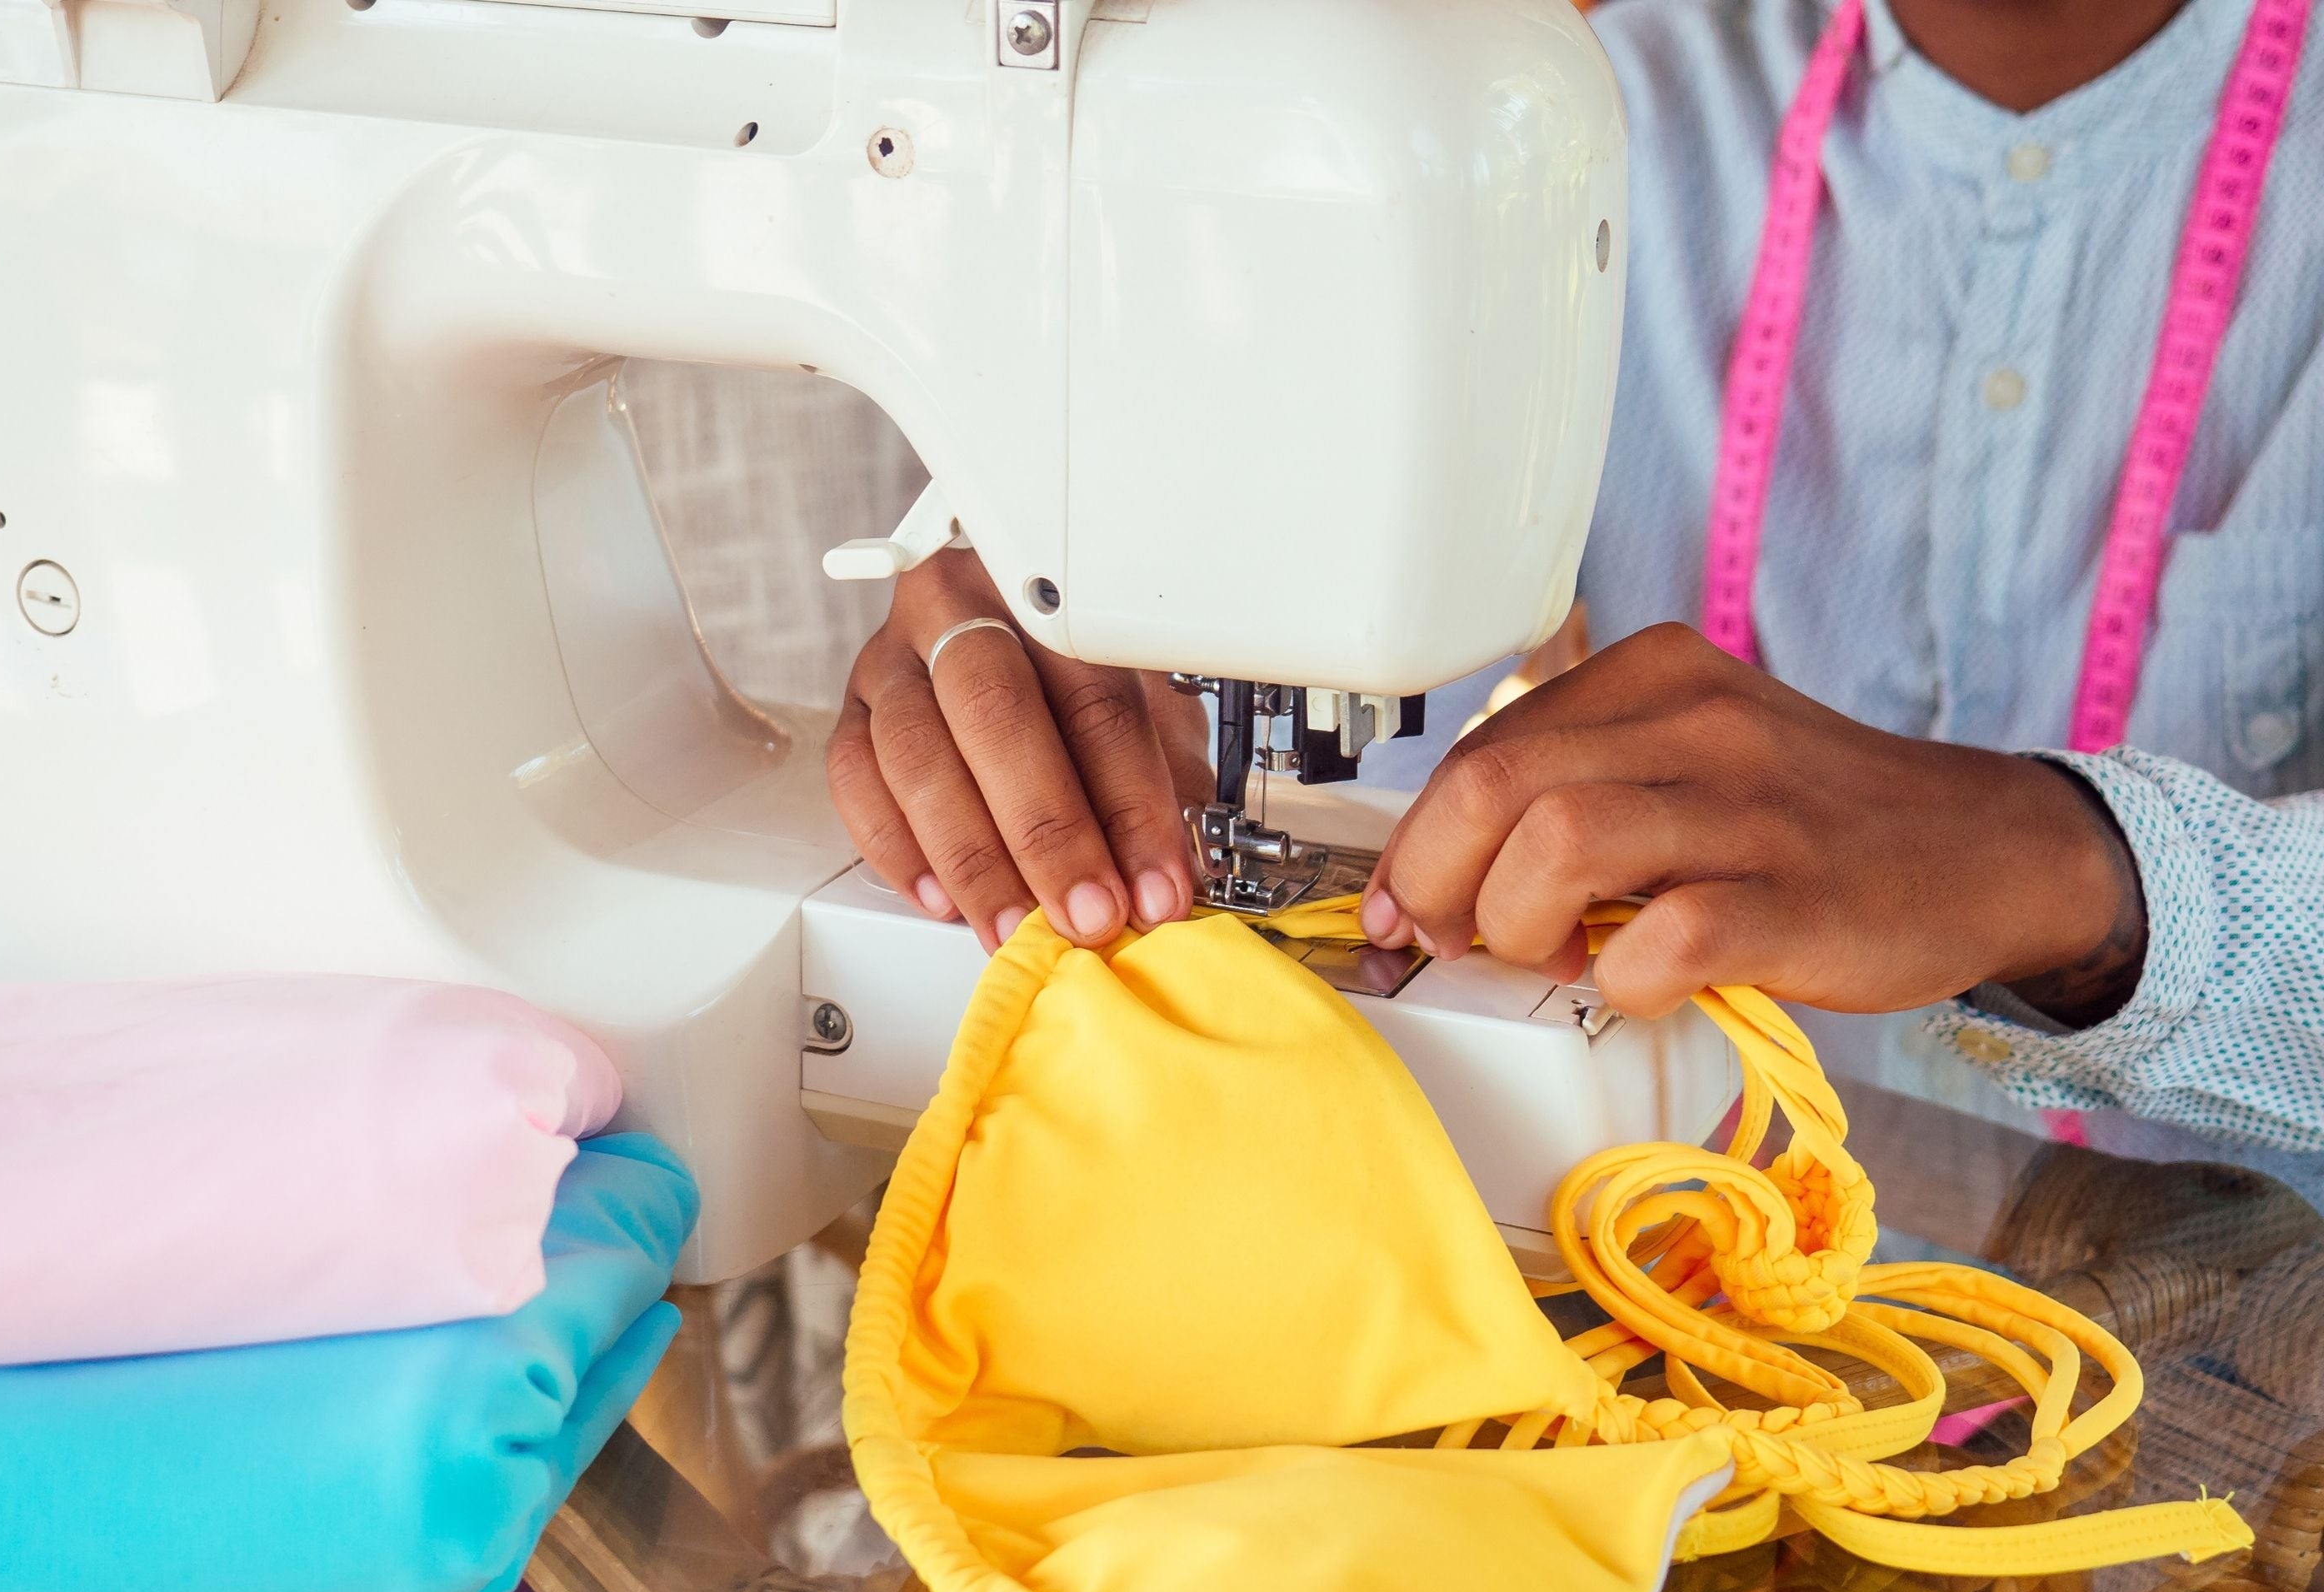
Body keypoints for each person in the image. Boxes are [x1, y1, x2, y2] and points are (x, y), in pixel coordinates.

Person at [826, 0, 2324, 1162]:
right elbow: (1341, 704)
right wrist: (1088, 623)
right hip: (1676, 1284)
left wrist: (2069, 869)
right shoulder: (1574, 117)